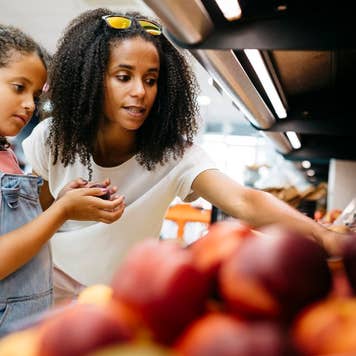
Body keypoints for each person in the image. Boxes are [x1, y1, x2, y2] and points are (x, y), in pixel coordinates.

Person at [23, 8, 346, 301]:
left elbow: (244, 201)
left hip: (121, 303)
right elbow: (28, 225)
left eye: (151, 79)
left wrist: (323, 236)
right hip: (44, 296)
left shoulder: (173, 154)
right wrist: (65, 209)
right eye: (124, 77)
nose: (140, 91)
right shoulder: (53, 140)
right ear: (91, 80)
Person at [0, 24, 125, 335]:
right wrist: (61, 212)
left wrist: (59, 198)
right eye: (18, 87)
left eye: (34, 94)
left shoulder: (8, 155)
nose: (30, 104)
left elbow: (16, 229)